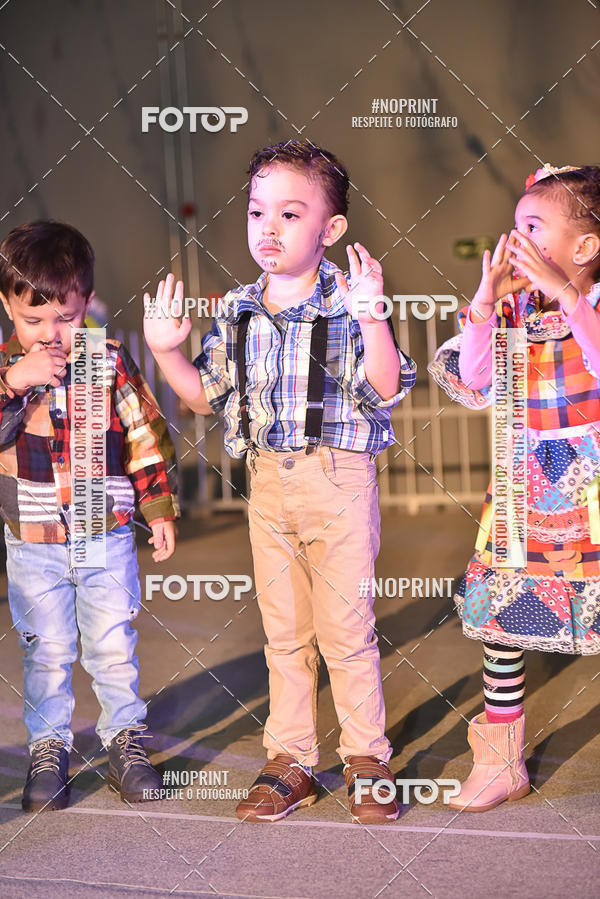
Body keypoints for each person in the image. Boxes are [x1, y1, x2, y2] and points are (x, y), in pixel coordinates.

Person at [144, 139, 416, 823]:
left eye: (291, 214)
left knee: (346, 630)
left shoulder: (350, 301)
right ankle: (291, 758)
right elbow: (205, 397)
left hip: (338, 478)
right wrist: (167, 352)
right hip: (267, 482)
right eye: (257, 211)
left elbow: (386, 386)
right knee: (285, 632)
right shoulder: (237, 309)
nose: (269, 228)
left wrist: (374, 316)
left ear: (331, 229)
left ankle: (366, 757)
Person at [429, 165, 600, 811]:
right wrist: (485, 297)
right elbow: (475, 379)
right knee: (504, 619)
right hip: (525, 487)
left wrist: (570, 298)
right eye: (516, 225)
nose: (517, 239)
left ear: (585, 246)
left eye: (534, 226)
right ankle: (500, 761)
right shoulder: (513, 309)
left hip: (593, 486)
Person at [0, 220, 179, 812]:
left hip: (106, 531)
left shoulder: (107, 359)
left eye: (67, 318)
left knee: (112, 643)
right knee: (46, 648)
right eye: (34, 321)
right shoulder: (4, 368)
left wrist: (157, 507)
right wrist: (13, 383)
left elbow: (145, 434)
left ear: (88, 304)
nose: (51, 335)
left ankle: (125, 739)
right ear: (7, 306)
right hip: (33, 538)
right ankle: (48, 749)